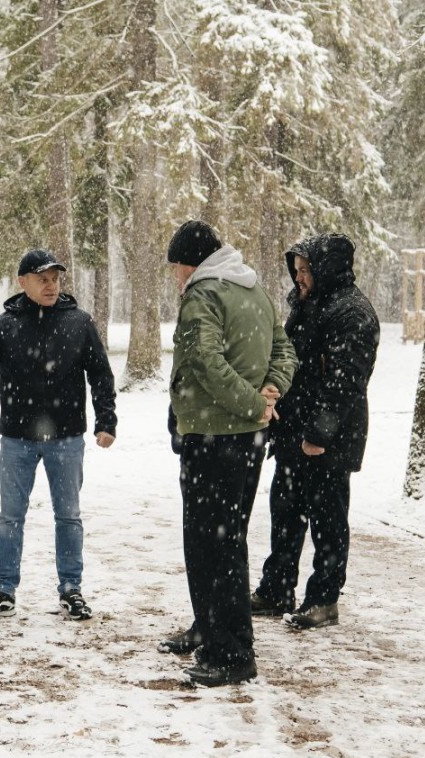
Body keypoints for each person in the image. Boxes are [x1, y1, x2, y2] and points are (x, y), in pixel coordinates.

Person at [160, 220, 297, 687]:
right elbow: (285, 349)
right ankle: (209, 628)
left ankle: (231, 652)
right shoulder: (253, 290)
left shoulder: (204, 295)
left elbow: (207, 363)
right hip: (247, 441)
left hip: (214, 437)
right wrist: (272, 389)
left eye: (177, 268)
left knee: (210, 545)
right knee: (227, 537)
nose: (177, 278)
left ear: (190, 262)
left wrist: (254, 403)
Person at [0, 249, 117, 622]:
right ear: (23, 282)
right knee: (10, 517)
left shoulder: (79, 322)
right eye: (42, 278)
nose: (51, 285)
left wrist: (106, 420)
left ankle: (71, 589)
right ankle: (3, 589)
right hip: (17, 439)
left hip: (66, 438)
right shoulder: (4, 324)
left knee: (69, 516)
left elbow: (101, 375)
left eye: (55, 278)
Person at [250, 233, 379, 629]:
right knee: (285, 512)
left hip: (330, 439)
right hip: (293, 432)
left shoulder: (352, 312)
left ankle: (324, 599)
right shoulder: (307, 304)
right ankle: (277, 589)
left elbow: (344, 382)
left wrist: (319, 435)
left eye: (305, 271)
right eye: (296, 271)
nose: (299, 278)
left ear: (326, 269)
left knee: (327, 519)